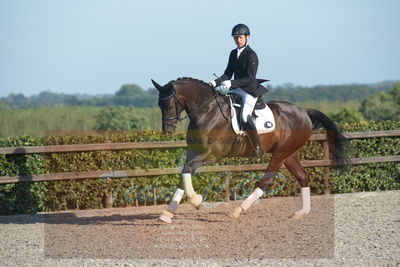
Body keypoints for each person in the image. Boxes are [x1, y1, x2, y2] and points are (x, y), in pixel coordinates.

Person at [210, 23, 268, 159]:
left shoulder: (251, 55)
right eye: (235, 37)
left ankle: (258, 148)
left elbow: (250, 78)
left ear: (247, 37)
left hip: (249, 91)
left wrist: (232, 83)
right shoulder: (233, 53)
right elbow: (227, 73)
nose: (237, 40)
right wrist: (214, 83)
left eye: (240, 37)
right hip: (237, 90)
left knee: (244, 116)